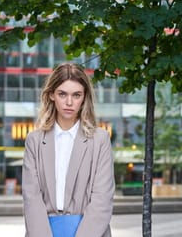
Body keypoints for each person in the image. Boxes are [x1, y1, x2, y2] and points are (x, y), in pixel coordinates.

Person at [23, 63, 114, 237]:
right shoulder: (34, 141)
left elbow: (102, 200)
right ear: (51, 95)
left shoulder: (100, 140)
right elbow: (31, 199)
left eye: (76, 95)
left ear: (84, 97)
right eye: (62, 94)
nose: (69, 102)